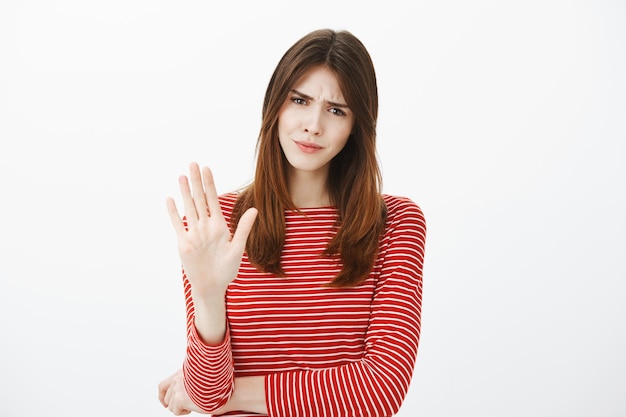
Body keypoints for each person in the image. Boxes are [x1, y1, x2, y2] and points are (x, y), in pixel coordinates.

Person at [158, 28, 427, 416]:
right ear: (276, 106)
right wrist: (208, 293)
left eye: (337, 109)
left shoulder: (395, 224)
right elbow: (207, 392)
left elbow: (378, 392)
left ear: (357, 127)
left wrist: (233, 394)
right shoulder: (217, 224)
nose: (313, 124)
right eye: (299, 100)